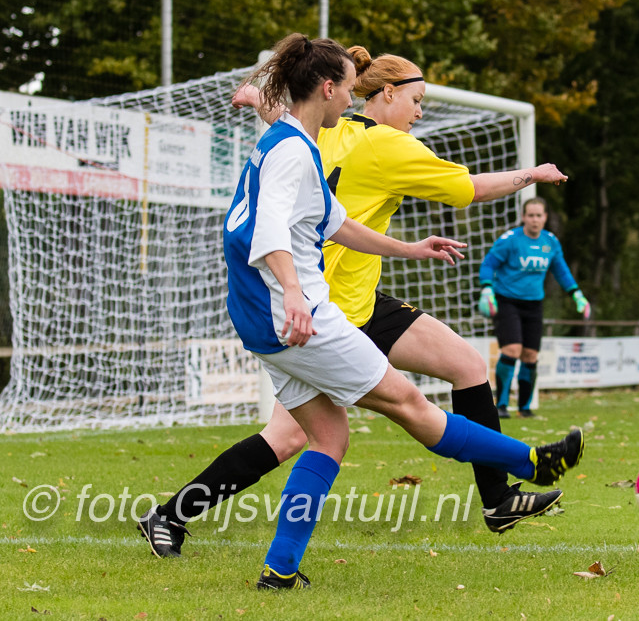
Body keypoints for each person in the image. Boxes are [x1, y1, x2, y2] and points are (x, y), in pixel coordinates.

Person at [138, 37, 584, 585]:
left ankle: (274, 566)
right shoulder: (366, 145)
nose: (418, 111)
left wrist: (410, 249)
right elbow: (462, 188)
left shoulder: (311, 136)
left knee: (365, 417)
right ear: (369, 92)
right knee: (403, 408)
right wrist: (531, 174)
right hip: (312, 310)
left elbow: (334, 218)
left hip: (320, 306)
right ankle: (530, 462)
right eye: (415, 99)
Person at [478, 197, 591, 418]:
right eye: (530, 215)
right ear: (523, 217)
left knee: (530, 355)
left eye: (539, 215)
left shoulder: (551, 242)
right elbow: (488, 264)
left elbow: (561, 270)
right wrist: (487, 289)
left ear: (545, 217)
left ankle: (525, 408)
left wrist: (576, 294)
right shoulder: (510, 240)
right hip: (507, 301)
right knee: (512, 350)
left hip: (534, 304)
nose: (534, 220)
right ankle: (501, 406)